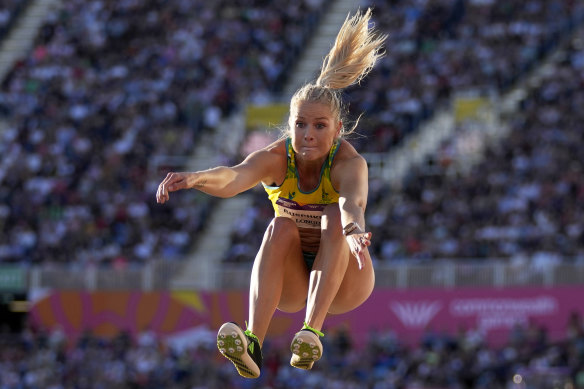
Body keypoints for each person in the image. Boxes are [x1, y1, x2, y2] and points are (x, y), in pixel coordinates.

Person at [156, 8, 386, 378]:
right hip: (295, 280)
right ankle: (252, 344)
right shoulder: (278, 157)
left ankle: (311, 333)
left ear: (338, 128)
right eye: (300, 125)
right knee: (279, 227)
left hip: (346, 281)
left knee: (330, 215)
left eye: (319, 126)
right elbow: (233, 177)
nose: (308, 134)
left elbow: (350, 203)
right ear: (289, 126)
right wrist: (196, 178)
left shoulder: (348, 163)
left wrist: (354, 231)